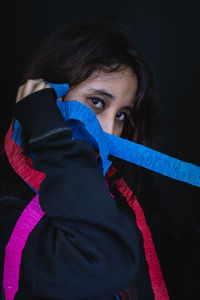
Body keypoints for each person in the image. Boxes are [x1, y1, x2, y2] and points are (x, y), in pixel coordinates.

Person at [0, 16, 169, 300]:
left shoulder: (128, 194)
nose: (109, 130)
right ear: (47, 100)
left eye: (122, 116)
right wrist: (52, 137)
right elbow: (104, 263)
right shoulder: (8, 206)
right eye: (97, 102)